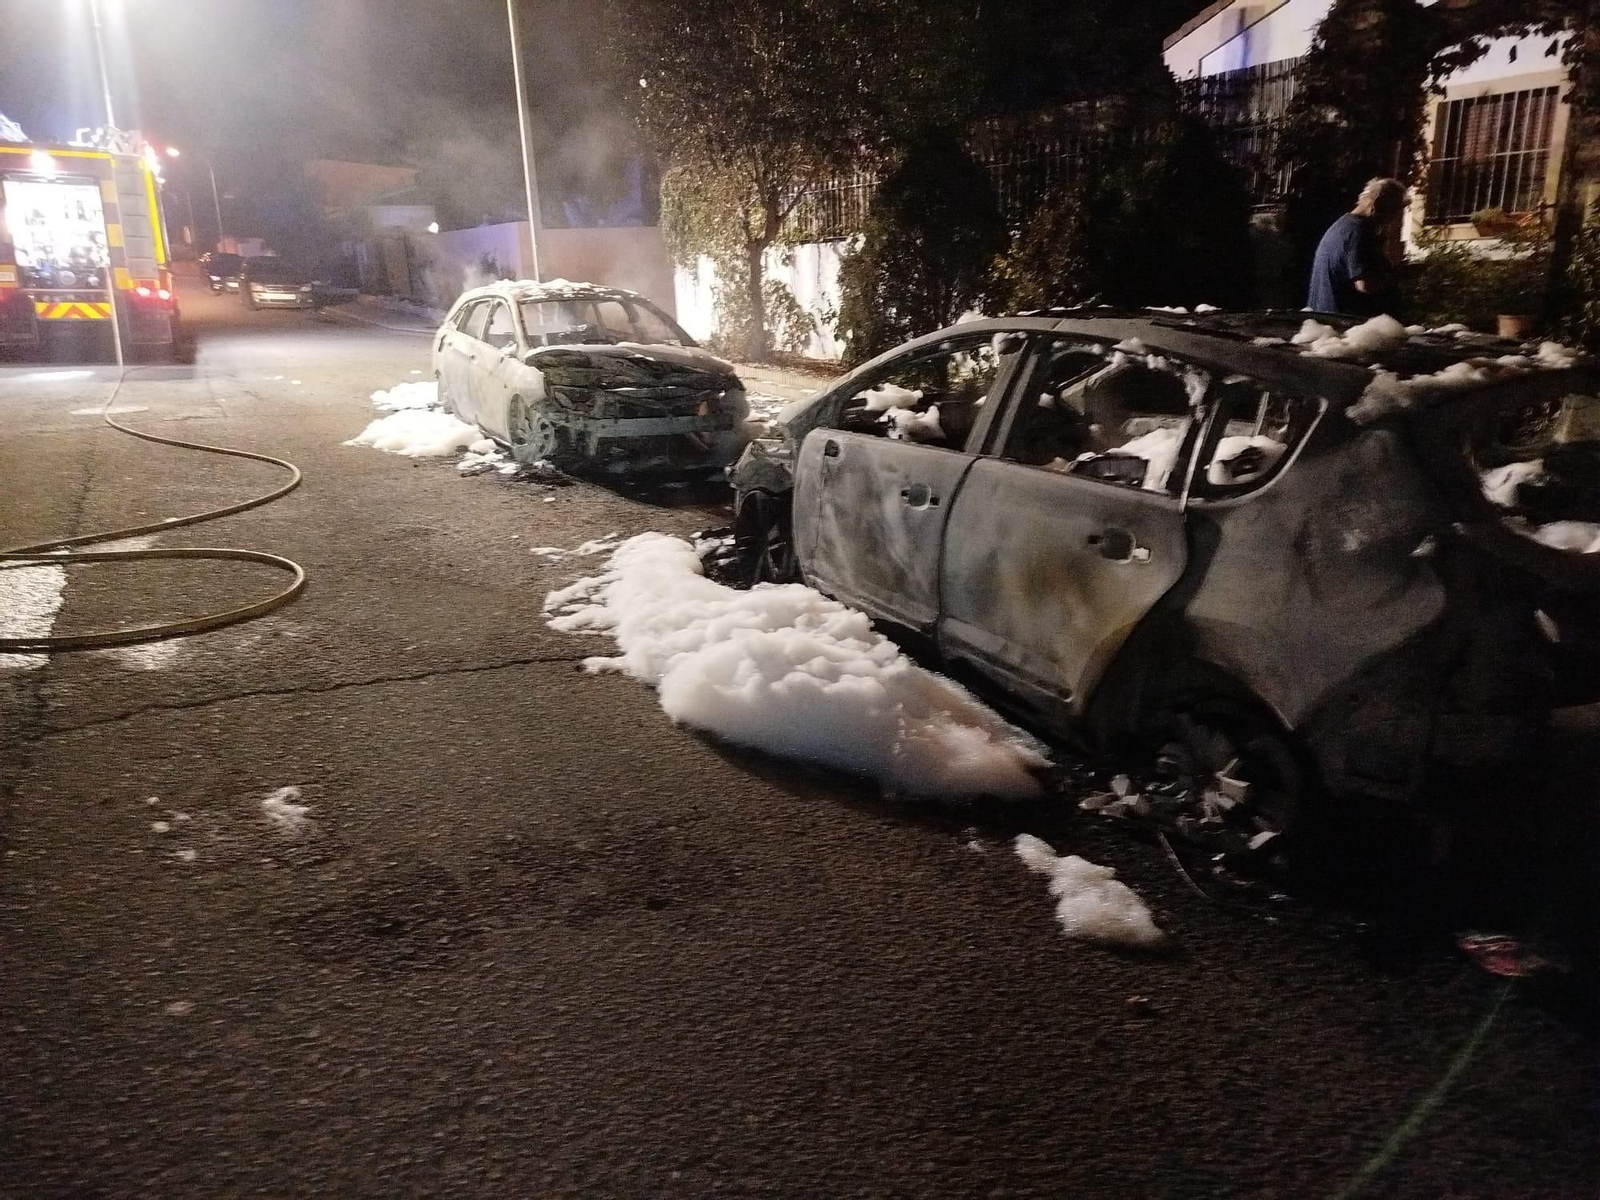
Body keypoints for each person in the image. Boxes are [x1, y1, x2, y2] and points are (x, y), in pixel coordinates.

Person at [1307, 177, 1406, 316]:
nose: (1393, 218)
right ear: (1377, 205)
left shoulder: (1342, 226)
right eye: (1394, 209)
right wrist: (1398, 276)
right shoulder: (1359, 233)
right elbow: (1364, 284)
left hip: (1326, 320)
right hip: (1345, 326)